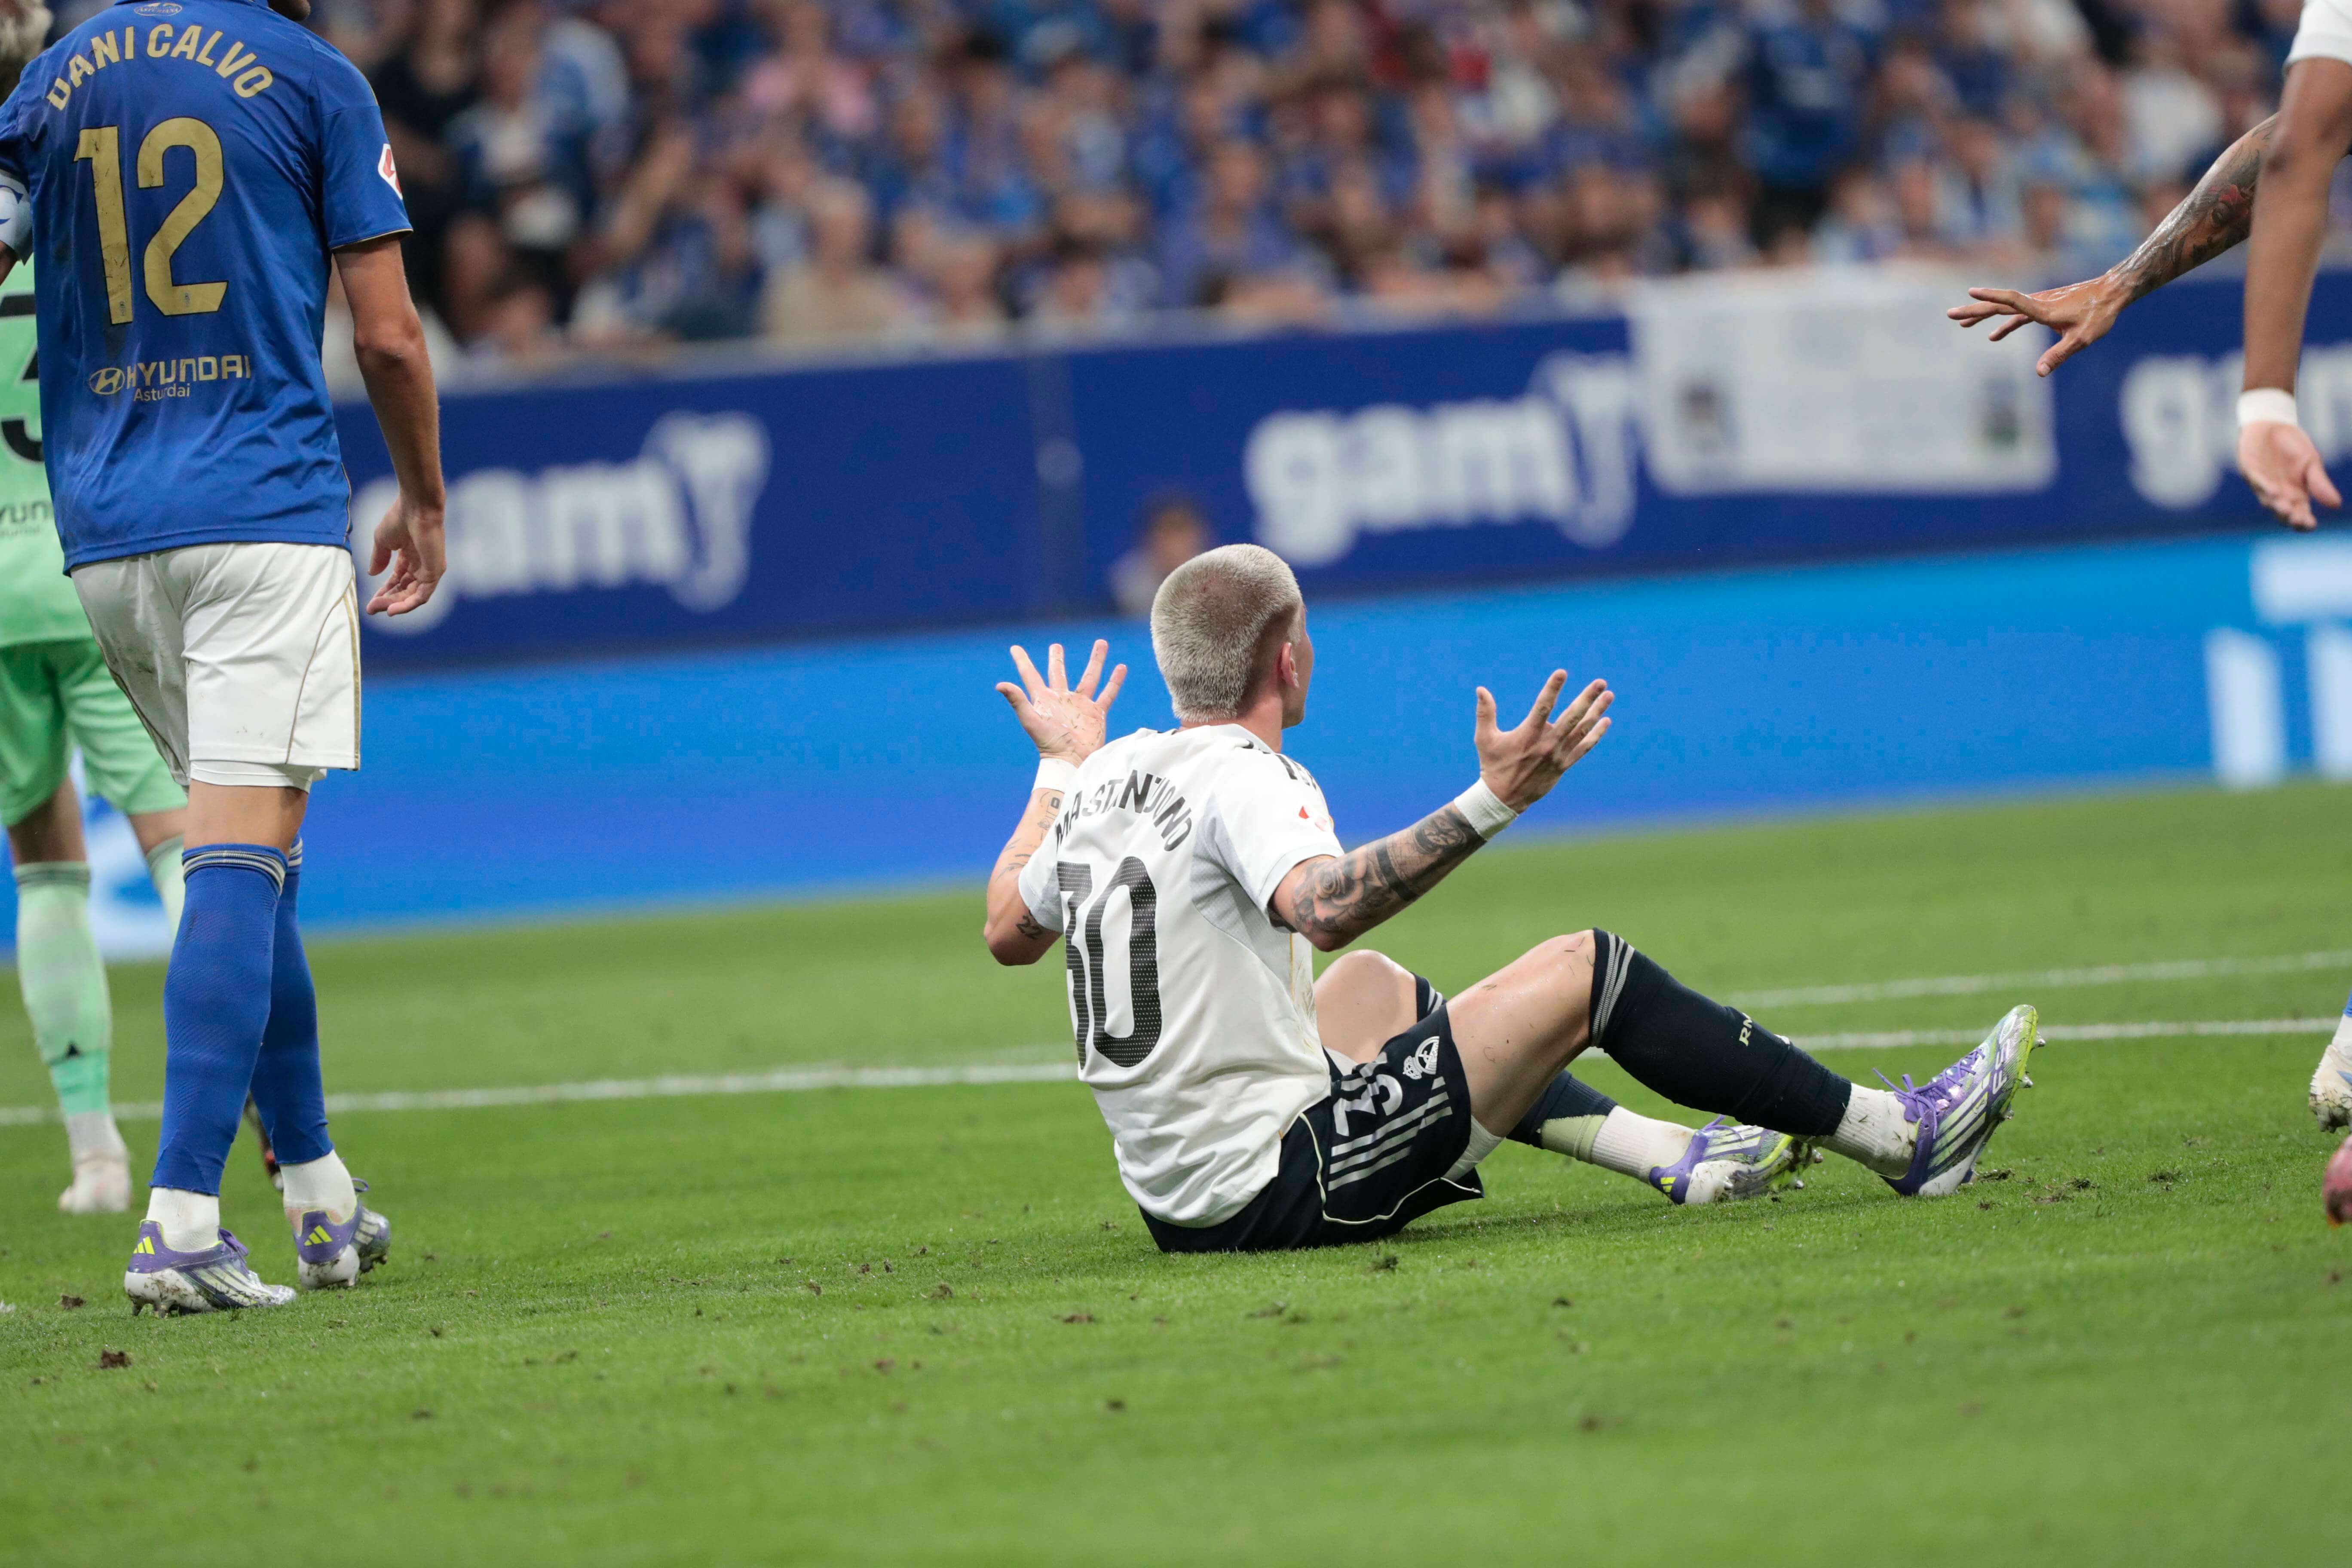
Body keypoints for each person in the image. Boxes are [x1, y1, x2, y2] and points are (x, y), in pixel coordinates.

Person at [981, 546, 2040, 1251]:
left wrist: (1059, 767)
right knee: (1589, 970)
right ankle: (1904, 1139)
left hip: (1178, 1196)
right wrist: (1492, 801)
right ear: (1288, 653)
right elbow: (1322, 903)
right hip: (1273, 1186)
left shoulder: (1110, 777)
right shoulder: (1251, 777)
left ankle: (1676, 1157)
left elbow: (1006, 929)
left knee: (1369, 990)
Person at [0, 0, 448, 1311]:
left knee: (257, 863)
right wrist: (423, 498)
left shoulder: (56, 77)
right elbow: (387, 335)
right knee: (238, 859)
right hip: (258, 511)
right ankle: (184, 1220)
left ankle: (315, 1194)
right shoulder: (314, 78)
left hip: (104, 536)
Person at [0, 1, 191, 1217]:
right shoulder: (91, 183)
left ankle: (97, 1160)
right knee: (189, 843)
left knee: (45, 863)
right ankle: (272, 1124)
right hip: (96, 557)